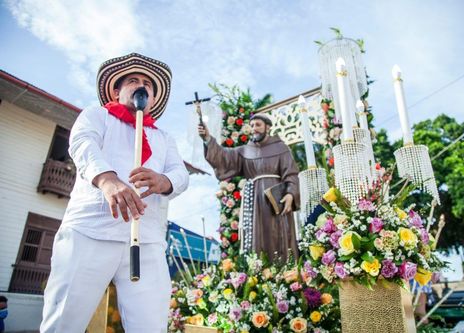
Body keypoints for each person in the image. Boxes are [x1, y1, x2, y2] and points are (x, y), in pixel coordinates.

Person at [41, 53, 189, 333]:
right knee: (63, 321)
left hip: (147, 240)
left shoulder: (164, 137)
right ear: (116, 90)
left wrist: (164, 180)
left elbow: (181, 175)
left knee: (151, 326)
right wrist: (108, 181)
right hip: (90, 231)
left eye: (147, 83)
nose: (140, 85)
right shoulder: (97, 116)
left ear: (154, 99)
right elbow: (83, 143)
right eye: (133, 80)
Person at [198, 114, 300, 262]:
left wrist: (291, 194)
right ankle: (260, 274)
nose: (254, 129)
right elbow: (224, 157)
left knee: (278, 236)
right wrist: (208, 139)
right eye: (252, 126)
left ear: (268, 127)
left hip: (277, 201)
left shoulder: (281, 148)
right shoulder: (245, 151)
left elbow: (291, 173)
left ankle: (284, 274)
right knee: (257, 238)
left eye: (258, 125)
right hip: (254, 203)